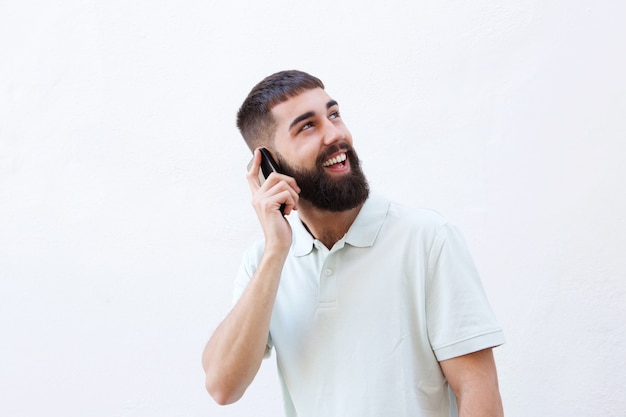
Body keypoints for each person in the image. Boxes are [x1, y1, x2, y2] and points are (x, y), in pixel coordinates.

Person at [202, 70, 505, 417]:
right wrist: (275, 252)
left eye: (334, 114)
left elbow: (478, 390)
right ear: (269, 165)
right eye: (307, 126)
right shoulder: (264, 262)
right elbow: (222, 386)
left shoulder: (427, 238)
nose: (335, 134)